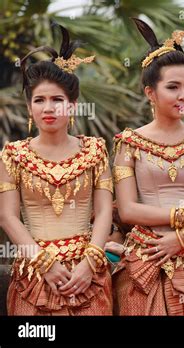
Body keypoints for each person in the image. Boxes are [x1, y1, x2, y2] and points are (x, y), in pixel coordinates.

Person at [112, 18, 184, 315]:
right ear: (150, 92)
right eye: (173, 87)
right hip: (143, 257)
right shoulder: (129, 142)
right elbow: (127, 210)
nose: (183, 96)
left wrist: (182, 238)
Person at [0, 25, 113, 315]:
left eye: (57, 100)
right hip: (34, 275)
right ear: (29, 108)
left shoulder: (95, 150)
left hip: (88, 275)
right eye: (39, 100)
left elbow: (103, 213)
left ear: (73, 106)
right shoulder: (13, 155)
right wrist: (43, 263)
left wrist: (90, 262)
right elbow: (8, 216)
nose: (48, 108)